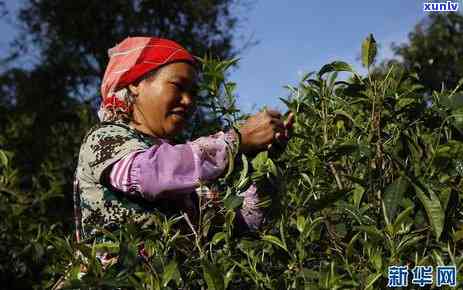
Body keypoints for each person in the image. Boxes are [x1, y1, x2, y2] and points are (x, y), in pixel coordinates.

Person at [73, 37, 293, 244]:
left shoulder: (186, 171)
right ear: (135, 83)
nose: (188, 100)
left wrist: (262, 162)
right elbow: (149, 175)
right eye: (178, 86)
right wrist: (236, 141)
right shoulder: (104, 138)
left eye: (194, 93)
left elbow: (245, 223)